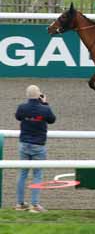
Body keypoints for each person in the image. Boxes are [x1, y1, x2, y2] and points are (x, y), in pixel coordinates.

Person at [15, 85, 56, 213]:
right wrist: (45, 103)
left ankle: (20, 204)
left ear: (27, 95)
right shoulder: (45, 109)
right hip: (38, 145)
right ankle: (34, 205)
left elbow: (18, 117)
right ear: (39, 95)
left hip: (24, 144)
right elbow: (52, 120)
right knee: (37, 174)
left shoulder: (22, 108)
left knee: (23, 174)